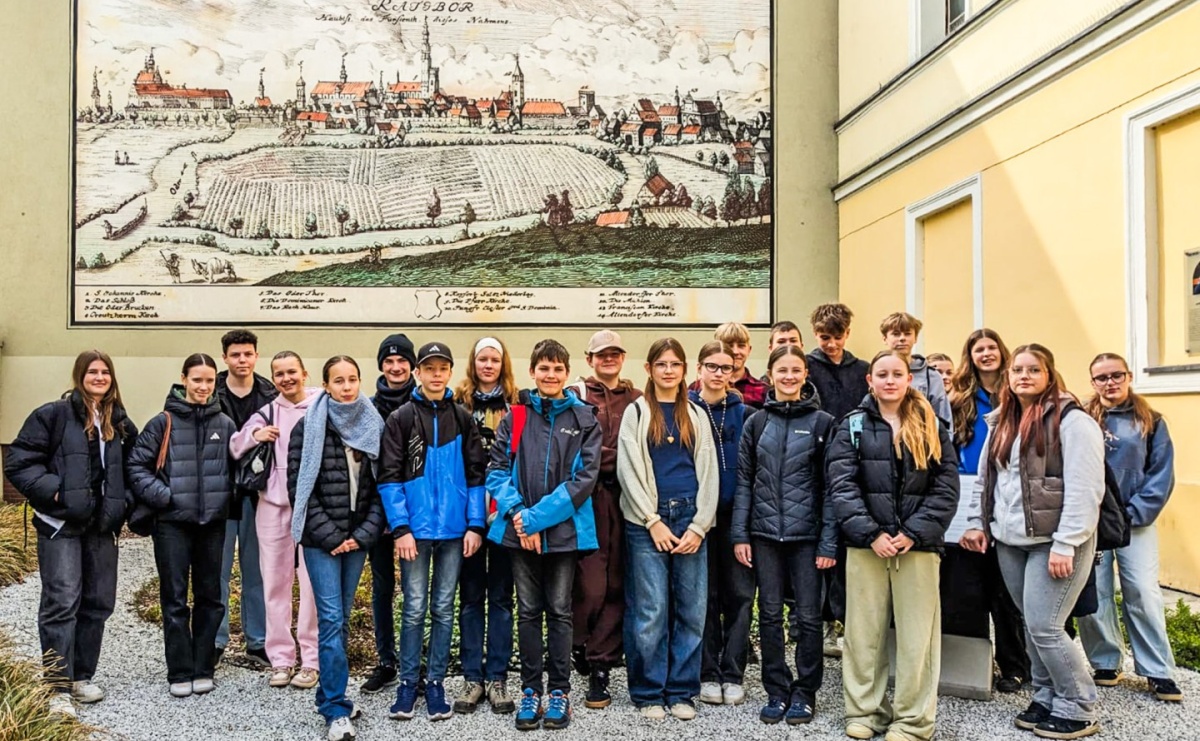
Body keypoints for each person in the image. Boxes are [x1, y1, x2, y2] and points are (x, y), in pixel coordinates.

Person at [962, 344, 1105, 740]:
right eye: (1017, 370)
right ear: (1008, 378)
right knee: (1031, 623)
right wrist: (978, 523)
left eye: (1033, 369)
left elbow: (1085, 488)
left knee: (1047, 626)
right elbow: (986, 481)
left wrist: (1066, 543)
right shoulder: (1002, 421)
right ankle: (1046, 696)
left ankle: (1078, 706)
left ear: (1048, 374)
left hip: (1054, 542)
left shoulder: (1073, 421)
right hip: (1011, 541)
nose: (1023, 376)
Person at [827, 350, 958, 741]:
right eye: (881, 374)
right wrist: (871, 533)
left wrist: (914, 532)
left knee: (918, 638)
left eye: (897, 374)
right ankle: (865, 712)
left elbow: (946, 486)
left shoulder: (930, 424)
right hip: (867, 547)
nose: (889, 380)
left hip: (917, 548)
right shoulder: (852, 425)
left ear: (908, 379)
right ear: (870, 380)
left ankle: (913, 720)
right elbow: (842, 486)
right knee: (863, 635)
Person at [4, 350, 138, 717]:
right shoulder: (53, 415)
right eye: (93, 371)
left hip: (101, 527)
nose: (100, 377)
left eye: (105, 371)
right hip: (60, 525)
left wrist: (122, 502)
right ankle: (57, 687)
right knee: (62, 602)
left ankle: (81, 676)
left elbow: (134, 466)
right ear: (80, 376)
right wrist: (56, 492)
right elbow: (19, 461)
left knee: (98, 602)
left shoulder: (118, 421)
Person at [487, 339, 602, 731]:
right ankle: (531, 689)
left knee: (559, 610)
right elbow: (496, 471)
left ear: (566, 373)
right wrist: (519, 515)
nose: (550, 375)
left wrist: (535, 520)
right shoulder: (515, 417)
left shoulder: (584, 419)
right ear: (532, 371)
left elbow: (583, 480)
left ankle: (559, 692)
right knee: (528, 611)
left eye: (557, 368)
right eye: (543, 368)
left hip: (563, 534)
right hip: (519, 531)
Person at [381, 342, 488, 722]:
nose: (436, 374)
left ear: (449, 372)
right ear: (418, 373)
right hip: (415, 531)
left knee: (443, 607)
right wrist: (401, 528)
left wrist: (475, 525)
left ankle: (436, 682)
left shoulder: (463, 418)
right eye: (429, 368)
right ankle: (408, 683)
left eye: (442, 368)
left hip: (455, 533)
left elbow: (477, 475)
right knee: (413, 607)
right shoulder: (402, 418)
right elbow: (389, 476)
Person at [733, 344, 835, 725]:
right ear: (771, 375)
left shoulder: (823, 424)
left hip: (807, 538)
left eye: (796, 370)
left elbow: (832, 488)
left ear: (805, 374)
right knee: (770, 615)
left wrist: (828, 542)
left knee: (808, 617)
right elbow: (744, 482)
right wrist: (740, 534)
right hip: (764, 536)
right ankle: (776, 690)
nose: (789, 377)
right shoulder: (756, 423)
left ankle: (805, 692)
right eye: (782, 370)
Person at [618, 338, 718, 721]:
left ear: (684, 370)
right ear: (649, 369)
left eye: (675, 364)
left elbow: (709, 471)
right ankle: (648, 692)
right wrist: (652, 520)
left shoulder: (696, 414)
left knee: (691, 609)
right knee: (651, 609)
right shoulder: (637, 412)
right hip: (648, 522)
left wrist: (700, 526)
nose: (668, 370)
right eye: (661, 364)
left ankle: (681, 691)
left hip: (690, 517)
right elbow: (628, 470)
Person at [127, 354, 238, 699]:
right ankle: (179, 670)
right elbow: (135, 466)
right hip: (172, 525)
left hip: (212, 525)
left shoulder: (225, 424)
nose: (203, 387)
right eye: (197, 380)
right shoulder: (163, 422)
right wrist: (165, 496)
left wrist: (226, 499)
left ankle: (203, 667)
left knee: (210, 598)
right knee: (174, 598)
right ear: (184, 379)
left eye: (209, 381)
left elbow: (238, 467)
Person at [288, 355, 387, 741]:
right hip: (321, 541)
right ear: (326, 385)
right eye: (338, 381)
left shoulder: (373, 423)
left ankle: (333, 695)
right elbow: (299, 488)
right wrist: (332, 536)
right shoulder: (308, 426)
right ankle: (334, 708)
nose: (346, 387)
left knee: (341, 619)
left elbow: (381, 486)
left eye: (352, 379)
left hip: (358, 538)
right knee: (330, 619)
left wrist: (362, 534)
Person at [1077, 353, 1182, 702]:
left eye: (1116, 375)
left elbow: (1161, 474)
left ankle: (1158, 669)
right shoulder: (1082, 418)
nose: (1110, 382)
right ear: (1093, 382)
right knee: (1095, 592)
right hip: (1093, 521)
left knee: (1142, 591)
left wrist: (1134, 513)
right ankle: (1105, 661)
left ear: (1128, 376)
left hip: (1135, 521)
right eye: (1102, 377)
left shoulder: (1151, 421)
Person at [229, 351, 321, 690]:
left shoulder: (321, 405)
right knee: (274, 585)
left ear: (304, 373)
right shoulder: (267, 412)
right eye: (279, 373)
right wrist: (255, 436)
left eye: (292, 371)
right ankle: (281, 659)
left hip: (312, 508)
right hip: (272, 506)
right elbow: (235, 446)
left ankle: (311, 660)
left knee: (312, 586)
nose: (286, 378)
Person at [945, 329, 1029, 693]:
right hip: (967, 496)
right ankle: (972, 664)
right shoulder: (958, 399)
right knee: (968, 585)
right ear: (971, 356)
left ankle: (1015, 665)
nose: (986, 353)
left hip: (1008, 495)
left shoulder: (1017, 396)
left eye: (992, 347)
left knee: (1006, 589)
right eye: (978, 349)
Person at [569, 329, 642, 710]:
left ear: (622, 358)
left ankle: (601, 664)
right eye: (601, 354)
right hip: (586, 499)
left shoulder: (637, 399)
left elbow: (644, 447)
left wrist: (606, 457)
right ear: (590, 359)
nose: (608, 359)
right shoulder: (576, 395)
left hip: (626, 497)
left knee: (617, 582)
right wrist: (610, 457)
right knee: (590, 581)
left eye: (614, 353)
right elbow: (572, 449)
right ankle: (578, 640)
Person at [454, 337, 520, 715]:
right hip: (468, 512)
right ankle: (472, 677)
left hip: (505, 510)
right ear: (473, 362)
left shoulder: (517, 402)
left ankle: (497, 676)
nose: (489, 365)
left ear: (503, 363)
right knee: (470, 596)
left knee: (501, 597)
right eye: (483, 359)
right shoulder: (458, 402)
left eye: (495, 359)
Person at [689, 341, 751, 707]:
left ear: (734, 372)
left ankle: (733, 672)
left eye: (725, 368)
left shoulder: (745, 414)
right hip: (698, 518)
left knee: (740, 595)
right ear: (699, 369)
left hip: (736, 516)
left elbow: (750, 472)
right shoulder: (685, 409)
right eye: (711, 366)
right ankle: (708, 672)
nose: (718, 373)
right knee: (706, 596)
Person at [806, 302, 869, 656]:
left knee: (847, 547)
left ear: (848, 334)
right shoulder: (806, 367)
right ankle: (821, 622)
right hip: (815, 463)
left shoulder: (863, 370)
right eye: (824, 337)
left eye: (837, 337)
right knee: (820, 546)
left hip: (854, 465)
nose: (831, 344)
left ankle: (850, 621)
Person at [360, 333, 418, 694]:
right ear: (381, 365)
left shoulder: (424, 403)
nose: (396, 367)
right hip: (377, 511)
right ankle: (386, 661)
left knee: (416, 590)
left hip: (417, 513)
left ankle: (416, 662)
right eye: (389, 361)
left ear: (412, 365)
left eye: (402, 361)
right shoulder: (367, 408)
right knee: (382, 587)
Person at [214, 329, 275, 667]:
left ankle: (258, 641)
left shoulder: (270, 394)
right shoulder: (211, 391)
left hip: (257, 493)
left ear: (256, 356)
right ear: (225, 357)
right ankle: (215, 640)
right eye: (235, 354)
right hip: (219, 494)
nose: (242, 360)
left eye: (247, 354)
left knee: (257, 571)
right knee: (217, 572)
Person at [878, 313, 953, 433]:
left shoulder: (931, 376)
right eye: (896, 334)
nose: (902, 338)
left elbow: (943, 420)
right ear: (885, 338)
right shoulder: (876, 373)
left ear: (916, 338)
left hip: (921, 439)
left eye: (907, 334)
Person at [713, 322, 768, 409]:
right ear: (716, 349)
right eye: (729, 345)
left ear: (749, 350)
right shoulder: (700, 387)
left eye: (741, 346)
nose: (735, 351)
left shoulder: (763, 390)